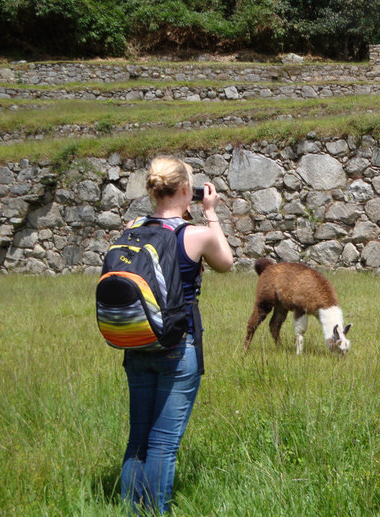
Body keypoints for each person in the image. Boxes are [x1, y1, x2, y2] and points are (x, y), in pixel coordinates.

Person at [120, 156, 234, 515]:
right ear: (186, 189)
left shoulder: (131, 227)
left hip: (136, 341)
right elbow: (227, 263)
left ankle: (131, 509)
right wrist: (210, 212)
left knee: (138, 438)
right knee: (164, 443)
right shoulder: (195, 234)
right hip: (176, 344)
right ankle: (157, 511)